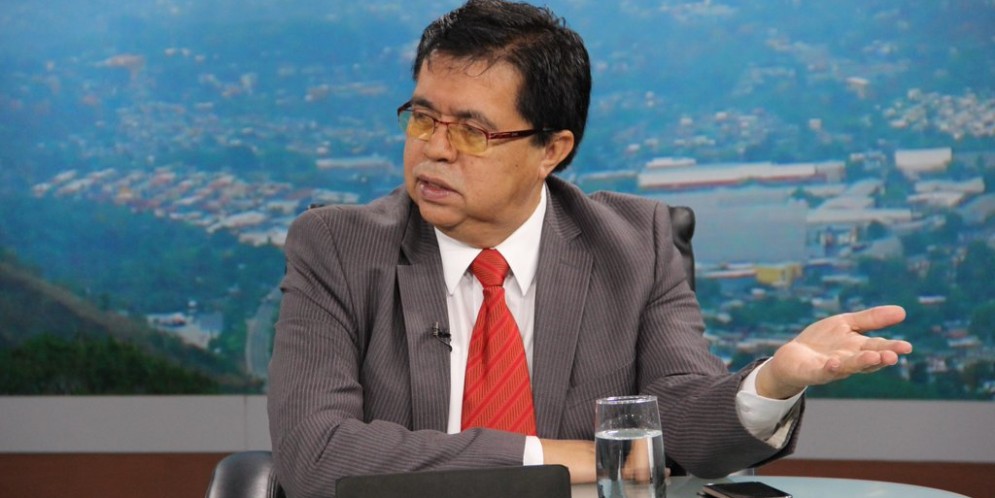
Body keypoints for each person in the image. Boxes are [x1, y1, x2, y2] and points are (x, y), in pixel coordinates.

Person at [267, 1, 913, 497]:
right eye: (423, 117)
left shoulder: (634, 246)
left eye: (471, 131)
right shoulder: (338, 249)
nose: (434, 148)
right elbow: (315, 454)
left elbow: (682, 420)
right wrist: (550, 457)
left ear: (551, 150)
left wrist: (771, 383)